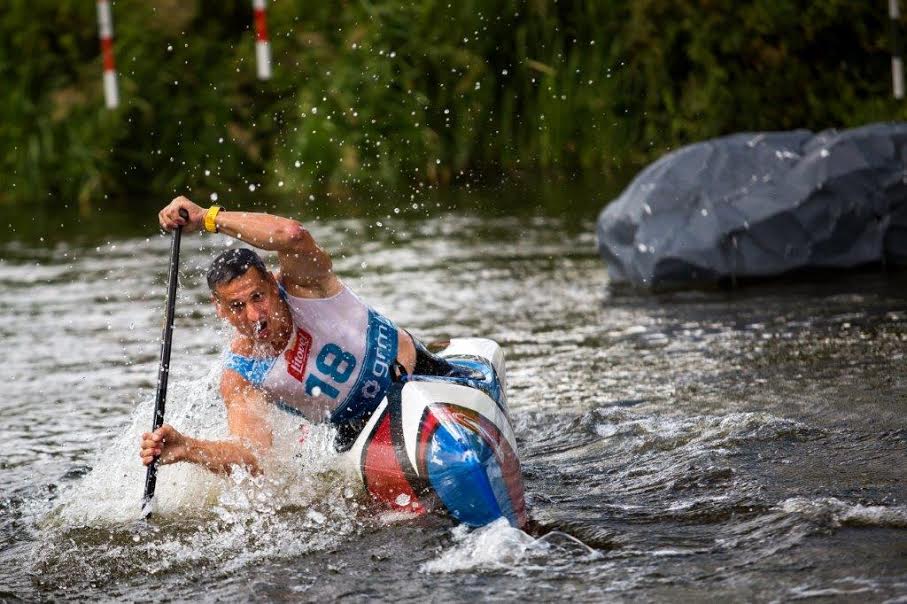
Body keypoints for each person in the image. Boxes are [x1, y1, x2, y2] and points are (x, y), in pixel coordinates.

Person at [139, 196, 457, 475]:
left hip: (421, 376)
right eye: (237, 306)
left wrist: (208, 217)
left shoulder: (304, 286)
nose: (254, 316)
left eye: (258, 297)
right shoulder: (241, 375)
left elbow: (291, 235)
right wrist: (189, 449)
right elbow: (255, 457)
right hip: (361, 433)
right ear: (219, 309)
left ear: (272, 283)